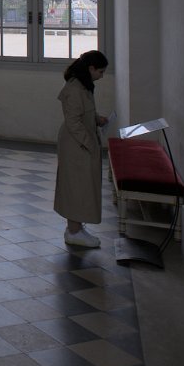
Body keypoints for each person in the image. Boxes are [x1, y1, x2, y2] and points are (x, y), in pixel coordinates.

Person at [55, 49, 110, 248]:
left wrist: (98, 119)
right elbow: (73, 122)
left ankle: (76, 227)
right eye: (100, 72)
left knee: (82, 186)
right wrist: (90, 144)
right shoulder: (74, 88)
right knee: (76, 187)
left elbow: (85, 114)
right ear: (91, 68)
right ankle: (74, 231)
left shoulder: (84, 85)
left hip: (81, 141)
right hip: (75, 143)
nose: (101, 76)